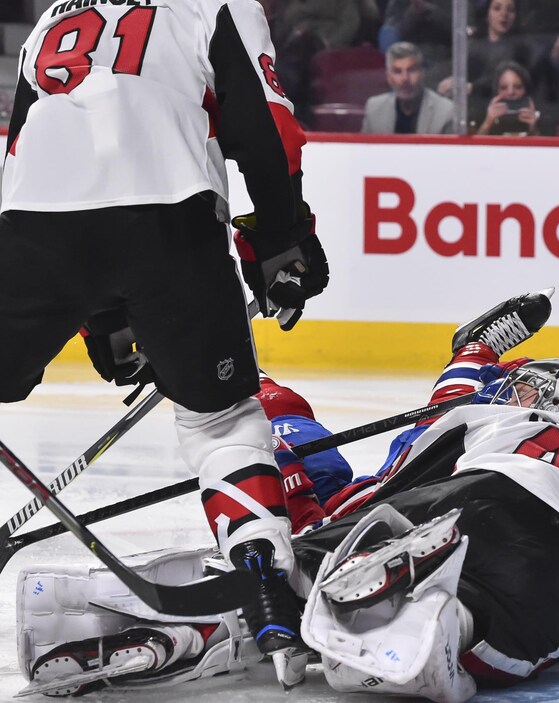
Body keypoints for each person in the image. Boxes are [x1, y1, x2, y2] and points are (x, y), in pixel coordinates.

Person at [16, 293, 559, 701]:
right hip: (508, 547)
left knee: (289, 554)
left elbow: (462, 371)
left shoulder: (489, 413)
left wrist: (478, 353)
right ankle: (430, 613)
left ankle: (201, 612)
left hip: (413, 503)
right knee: (492, 620)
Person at [0, 0, 329, 673]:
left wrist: (101, 312)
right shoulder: (215, 3)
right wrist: (280, 239)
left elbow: (24, 150)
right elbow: (266, 131)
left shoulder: (53, 16)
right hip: (169, 220)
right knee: (221, 423)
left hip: (30, 226)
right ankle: (264, 584)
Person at [362, 41, 457, 135]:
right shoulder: (374, 108)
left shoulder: (446, 111)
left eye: (412, 70)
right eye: (398, 71)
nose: (405, 78)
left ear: (422, 73)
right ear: (388, 77)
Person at [476, 61, 549, 136]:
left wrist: (533, 127)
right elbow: (473, 147)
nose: (511, 92)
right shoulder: (483, 116)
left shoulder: (541, 117)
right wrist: (488, 122)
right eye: (504, 88)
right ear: (496, 90)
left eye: (518, 87)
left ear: (526, 89)